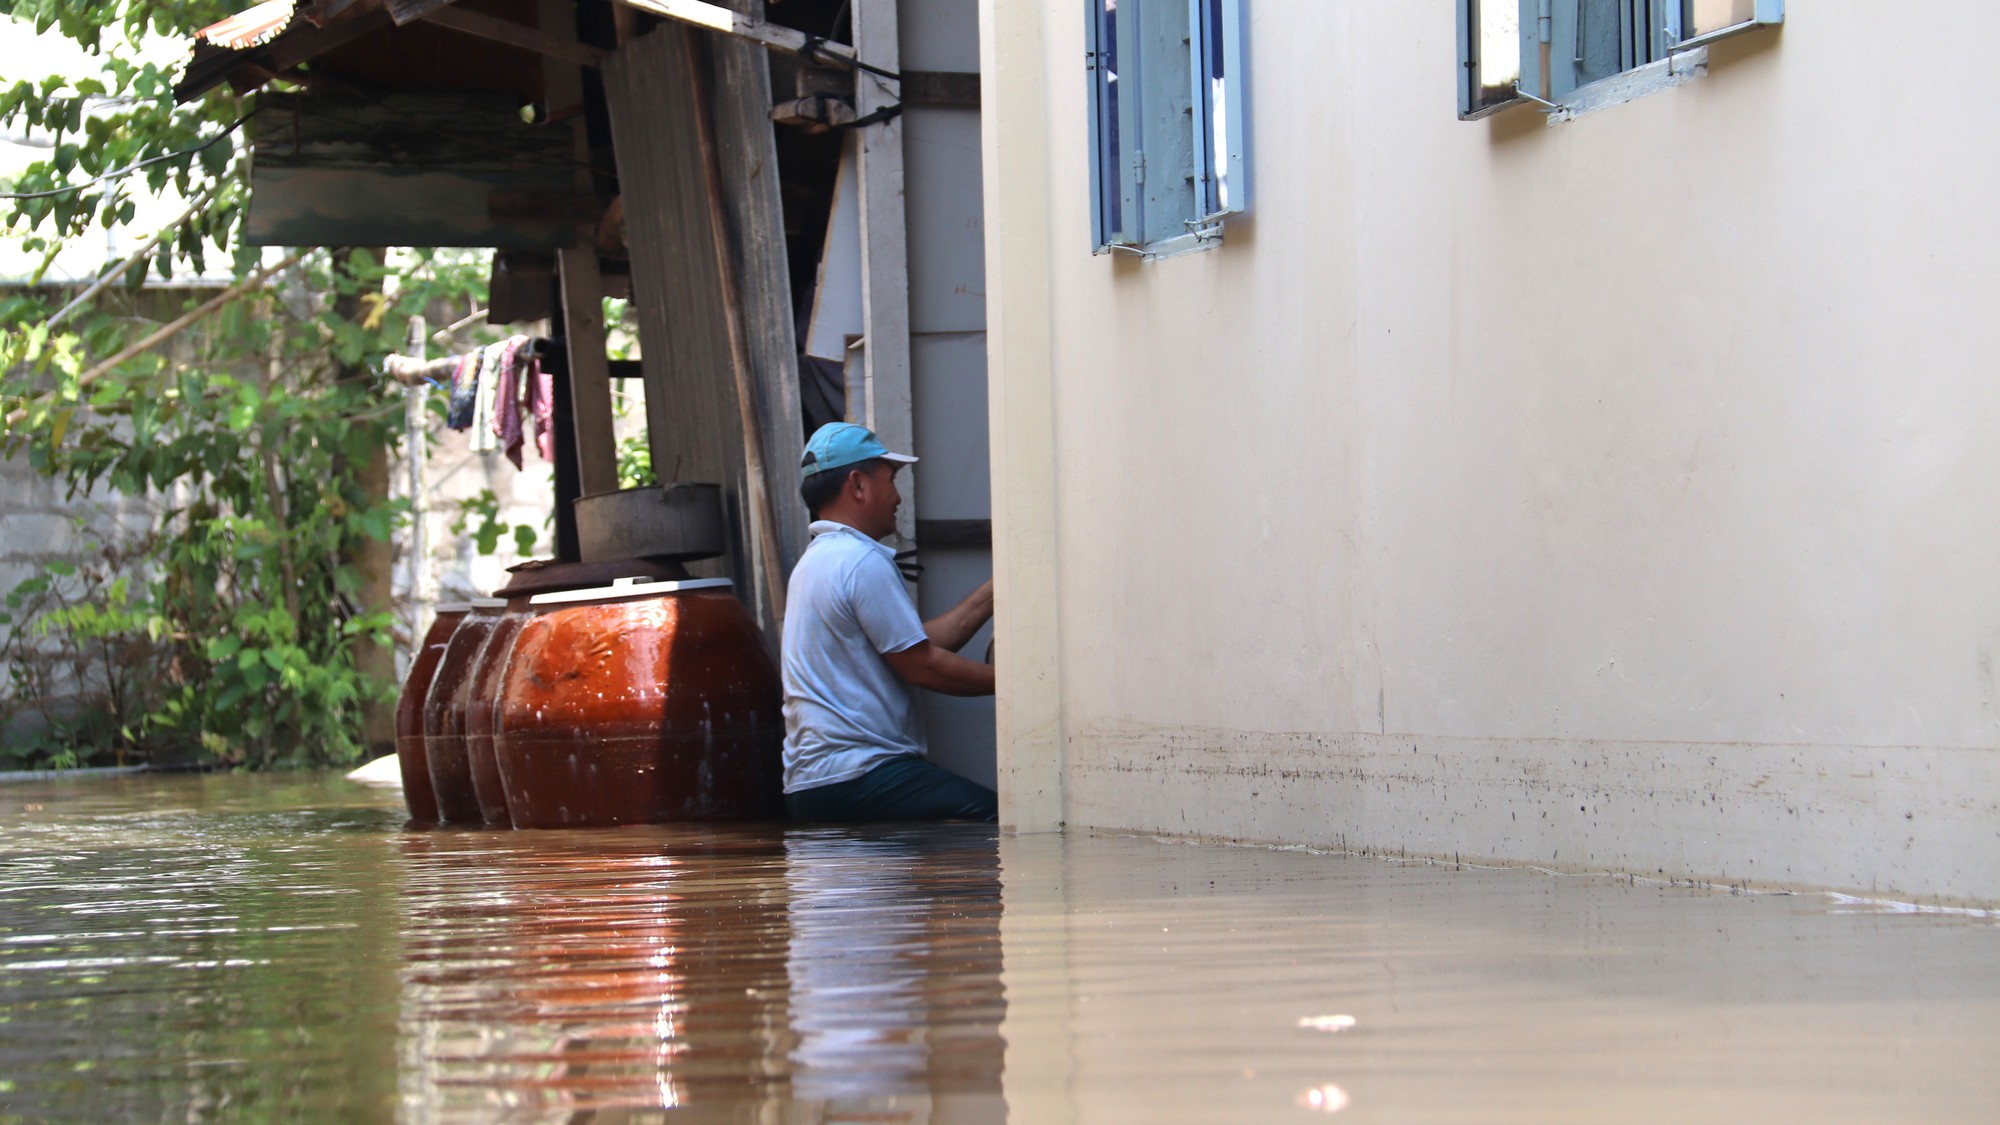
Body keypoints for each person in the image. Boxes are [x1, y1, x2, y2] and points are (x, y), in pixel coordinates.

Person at [781, 422, 998, 822]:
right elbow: (923, 665)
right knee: (1000, 823)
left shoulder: (817, 562)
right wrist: (1019, 684)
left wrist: (997, 589)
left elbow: (915, 644)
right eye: (891, 480)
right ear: (858, 485)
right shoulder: (862, 561)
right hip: (859, 774)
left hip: (815, 784)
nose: (898, 497)